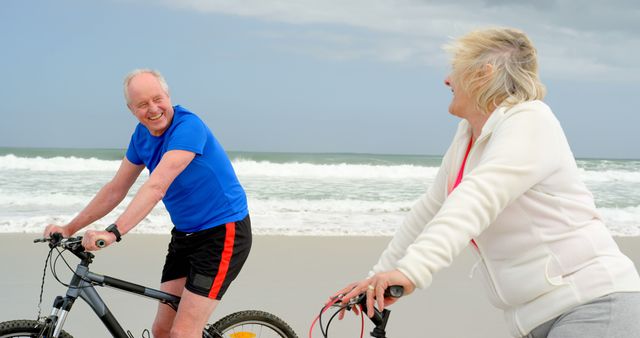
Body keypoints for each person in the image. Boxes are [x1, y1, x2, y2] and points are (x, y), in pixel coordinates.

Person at [334, 27, 640, 338]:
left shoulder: (531, 122)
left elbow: (475, 200)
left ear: (483, 74)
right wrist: (376, 279)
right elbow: (430, 210)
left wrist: (412, 272)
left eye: (455, 69)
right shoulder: (468, 136)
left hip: (593, 305)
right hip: (536, 319)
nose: (446, 80)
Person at [43, 69, 251, 338]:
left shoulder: (189, 128)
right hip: (185, 235)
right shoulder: (141, 137)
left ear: (168, 96)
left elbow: (156, 186)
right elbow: (115, 189)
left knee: (183, 332)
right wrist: (70, 227)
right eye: (142, 104)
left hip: (223, 233)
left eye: (157, 99)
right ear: (132, 109)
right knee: (162, 330)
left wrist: (114, 232)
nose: (153, 109)